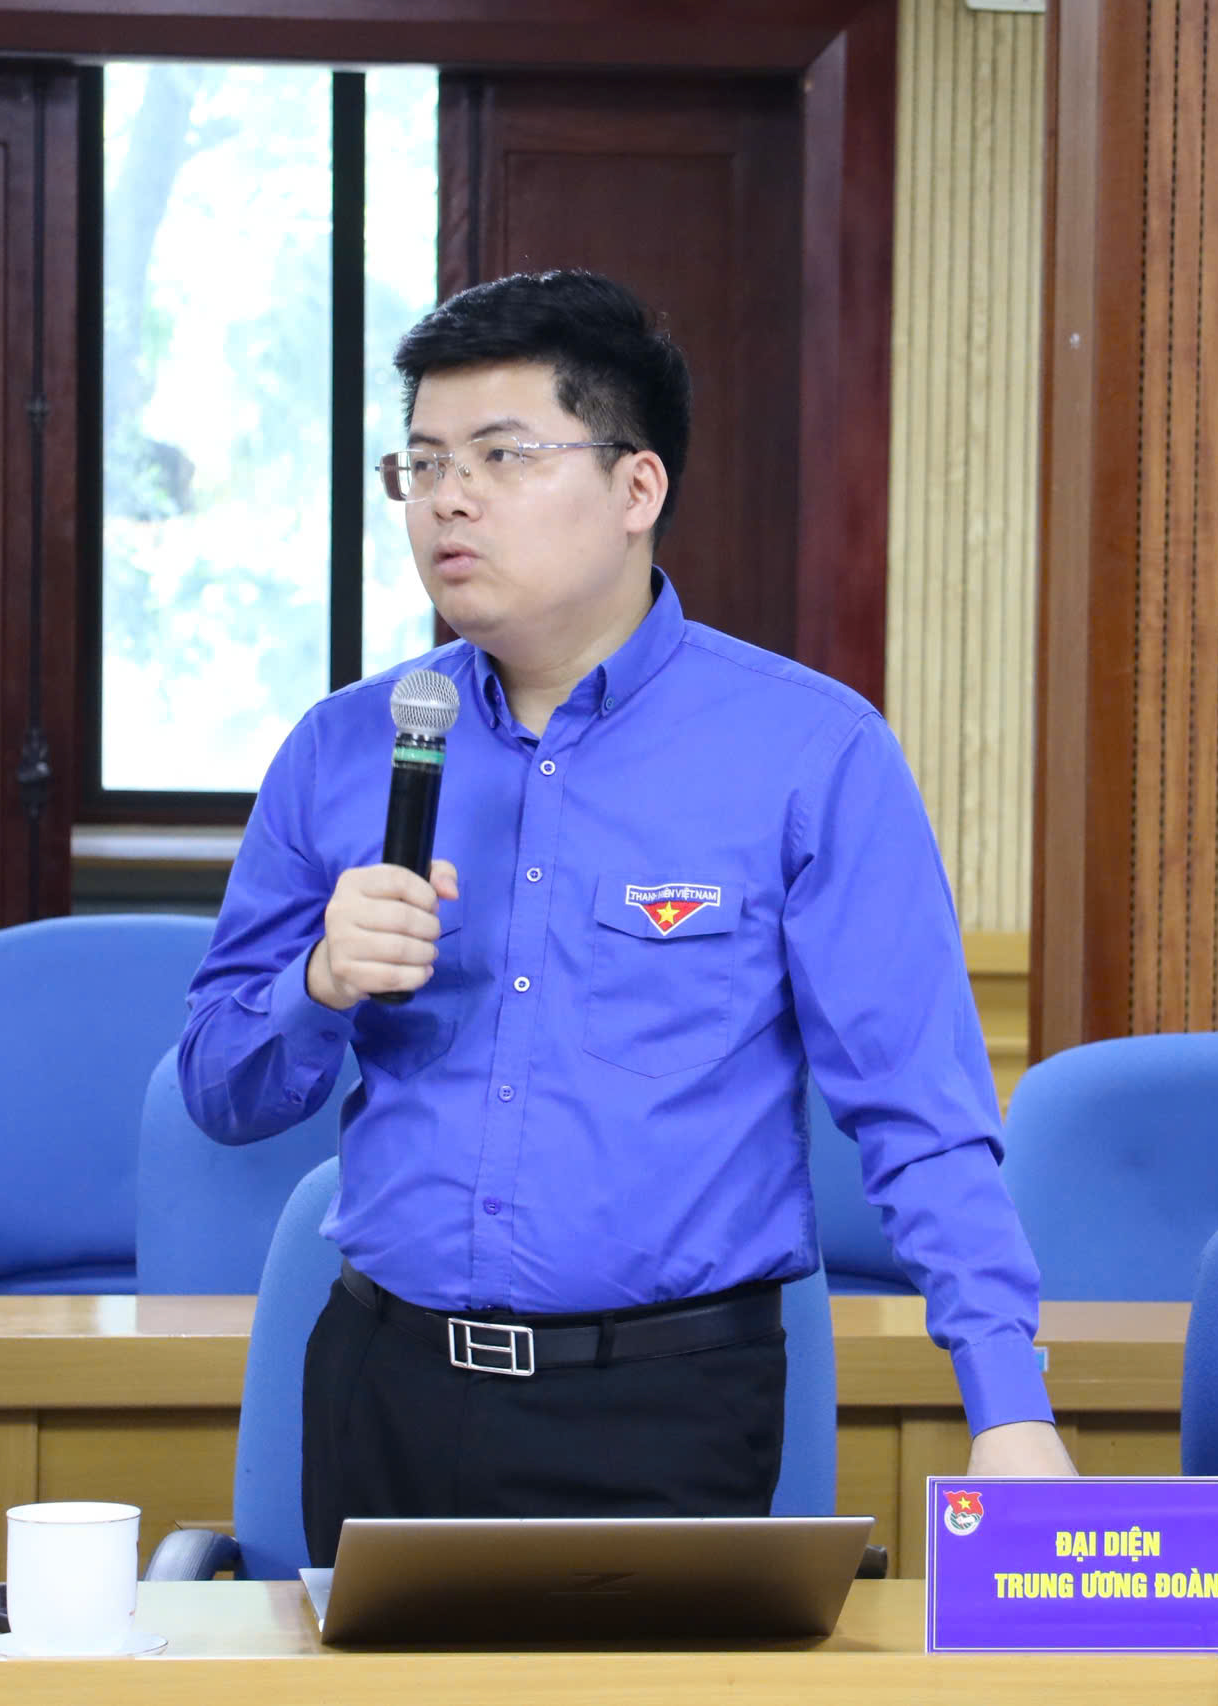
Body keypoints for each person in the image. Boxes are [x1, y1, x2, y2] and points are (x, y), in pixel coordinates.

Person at [178, 269, 1073, 1564]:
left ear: (637, 486)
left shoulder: (807, 753)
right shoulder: (345, 746)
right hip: (388, 1387)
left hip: (668, 1408)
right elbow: (218, 1086)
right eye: (422, 463)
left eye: (501, 455)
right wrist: (316, 984)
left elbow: (920, 1113)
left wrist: (1009, 1405)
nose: (448, 499)